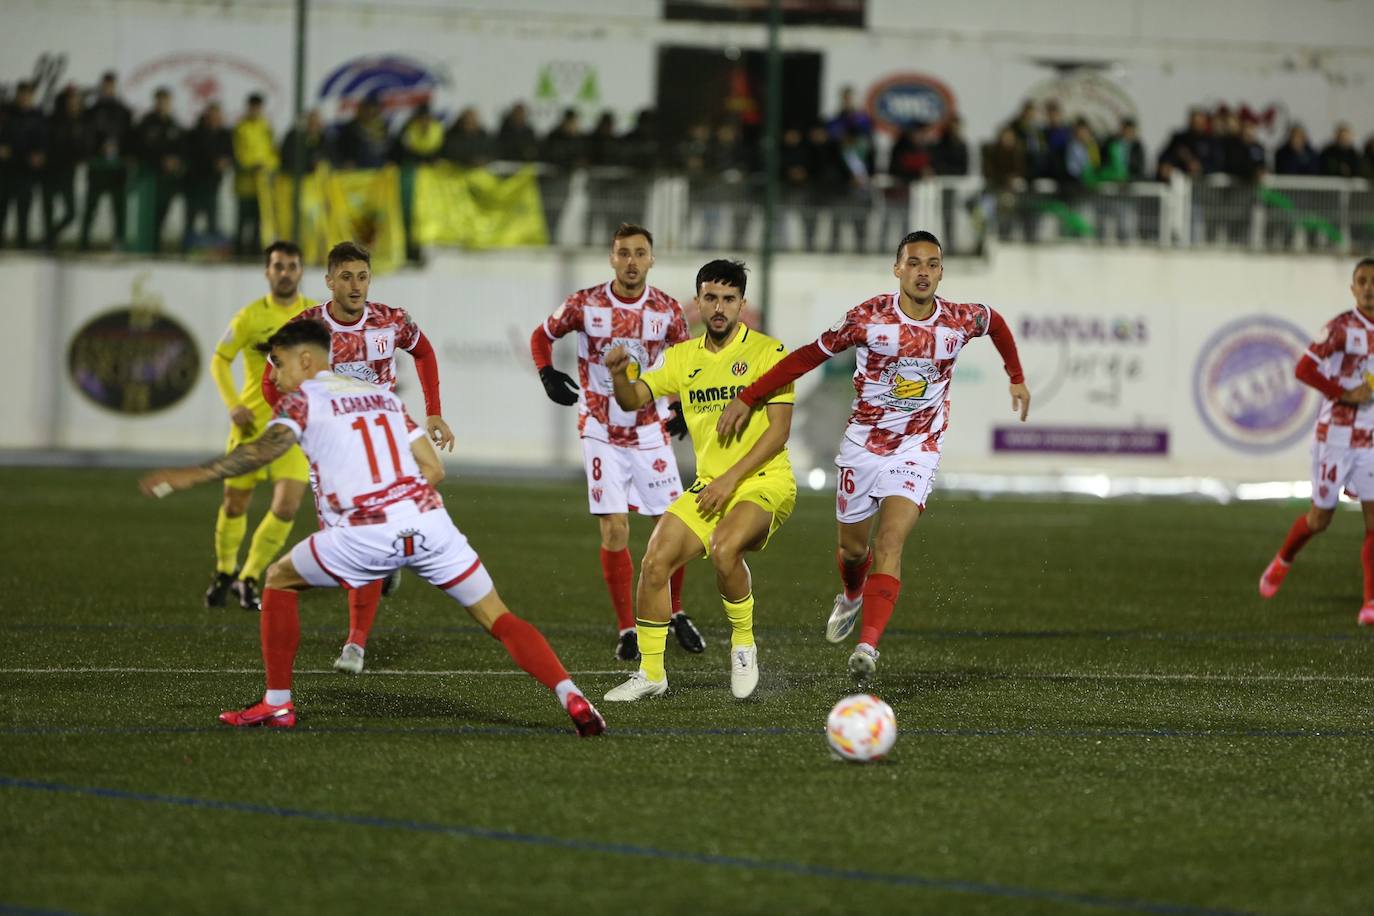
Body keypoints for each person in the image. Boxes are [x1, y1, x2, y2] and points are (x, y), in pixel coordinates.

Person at [140, 318, 605, 737]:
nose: (275, 376)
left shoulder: (303, 401)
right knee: (500, 618)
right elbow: (434, 469)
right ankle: (571, 695)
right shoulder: (383, 396)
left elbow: (259, 452)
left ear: (306, 360)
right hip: (429, 523)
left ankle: (277, 704)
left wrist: (189, 476)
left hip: (365, 533)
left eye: (278, 364)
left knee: (279, 579)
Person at [716, 231, 1030, 680]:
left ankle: (867, 647)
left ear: (941, 271)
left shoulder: (959, 319)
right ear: (897, 268)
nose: (924, 272)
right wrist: (750, 397)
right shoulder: (867, 319)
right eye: (915, 263)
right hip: (863, 448)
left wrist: (1015, 375)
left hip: (918, 448)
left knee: (890, 542)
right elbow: (807, 357)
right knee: (852, 550)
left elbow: (995, 322)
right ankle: (851, 592)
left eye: (933, 264)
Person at [601, 259, 797, 702]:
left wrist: (730, 480)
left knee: (726, 549)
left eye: (729, 299)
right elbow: (634, 399)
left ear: (743, 304)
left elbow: (779, 431)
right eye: (711, 298)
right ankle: (652, 674)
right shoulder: (682, 357)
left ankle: (743, 645)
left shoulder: (769, 353)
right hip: (712, 485)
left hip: (764, 482)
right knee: (654, 564)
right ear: (698, 303)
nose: (720, 307)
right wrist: (618, 375)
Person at [262, 240, 455, 672]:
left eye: (362, 276)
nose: (355, 285)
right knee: (346, 543)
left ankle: (355, 644)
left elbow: (423, 351)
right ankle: (390, 557)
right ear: (329, 280)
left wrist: (434, 410)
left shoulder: (392, 321)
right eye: (345, 277)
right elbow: (271, 380)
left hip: (386, 438)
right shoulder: (307, 327)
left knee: (373, 527)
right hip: (334, 450)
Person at [530, 223, 703, 661]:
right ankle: (628, 628)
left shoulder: (666, 309)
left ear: (651, 259)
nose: (631, 261)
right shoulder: (586, 303)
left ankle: (676, 612)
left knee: (673, 526)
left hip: (650, 429)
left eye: (639, 253)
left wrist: (684, 404)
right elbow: (541, 335)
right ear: (611, 258)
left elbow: (687, 361)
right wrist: (546, 372)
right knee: (614, 529)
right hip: (600, 430)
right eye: (623, 253)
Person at [1259, 258, 1374, 626]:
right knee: (1320, 519)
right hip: (1335, 438)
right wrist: (1344, 392)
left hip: (1371, 438)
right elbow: (1303, 369)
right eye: (1363, 281)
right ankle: (1283, 559)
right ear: (1352, 288)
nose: (1370, 287)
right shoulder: (1340, 329)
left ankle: (1370, 603)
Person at [205, 240, 318, 612]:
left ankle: (249, 577)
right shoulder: (249, 318)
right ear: (267, 272)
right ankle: (224, 570)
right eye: (278, 266)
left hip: (295, 430)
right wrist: (234, 404)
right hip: (253, 425)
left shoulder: (316, 317)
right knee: (235, 503)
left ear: (300, 271)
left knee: (287, 507)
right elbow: (220, 361)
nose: (285, 272)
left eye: (291, 266)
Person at [80, 72, 132, 251]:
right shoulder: (92, 111)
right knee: (91, 206)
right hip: (97, 167)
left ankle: (119, 240)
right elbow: (86, 136)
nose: (108, 89)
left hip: (117, 168)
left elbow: (129, 136)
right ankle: (84, 241)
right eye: (105, 86)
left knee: (119, 207)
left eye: (111, 86)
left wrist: (124, 154)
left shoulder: (123, 111)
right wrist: (96, 150)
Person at [232, 93, 278, 256]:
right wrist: (251, 166)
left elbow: (273, 152)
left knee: (259, 221)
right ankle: (238, 251)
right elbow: (238, 154)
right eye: (253, 107)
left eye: (258, 108)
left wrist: (268, 166)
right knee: (243, 220)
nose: (255, 111)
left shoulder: (266, 127)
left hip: (262, 185)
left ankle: (254, 252)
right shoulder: (240, 128)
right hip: (245, 184)